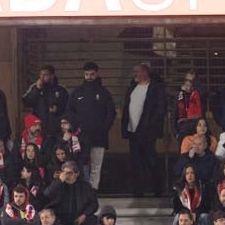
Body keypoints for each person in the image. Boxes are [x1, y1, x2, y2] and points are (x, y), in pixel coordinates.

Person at [67, 62, 117, 190]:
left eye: (92, 74)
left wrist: (104, 128)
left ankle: (93, 190)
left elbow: (111, 113)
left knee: (96, 165)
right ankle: (83, 189)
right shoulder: (77, 92)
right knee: (82, 164)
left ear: (97, 74)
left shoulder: (104, 92)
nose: (89, 77)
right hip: (80, 136)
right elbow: (69, 111)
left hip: (98, 136)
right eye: (87, 74)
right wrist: (74, 128)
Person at [122, 63, 168, 198]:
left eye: (137, 71)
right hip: (133, 131)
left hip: (147, 131)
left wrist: (150, 124)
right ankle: (138, 190)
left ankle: (157, 189)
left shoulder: (156, 87)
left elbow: (161, 109)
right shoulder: (132, 87)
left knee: (151, 160)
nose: (134, 74)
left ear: (145, 72)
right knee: (136, 161)